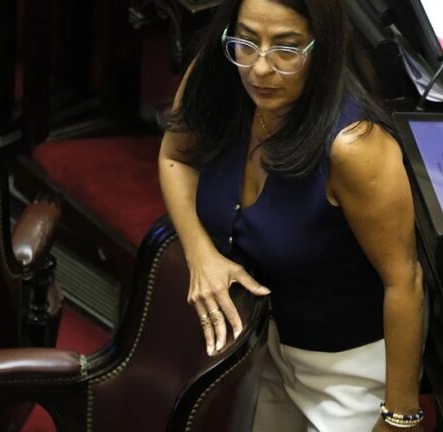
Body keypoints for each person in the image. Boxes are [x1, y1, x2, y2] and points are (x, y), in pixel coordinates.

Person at [158, 0, 425, 430]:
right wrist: (200, 253)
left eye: (286, 49)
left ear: (323, 47)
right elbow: (174, 156)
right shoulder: (220, 72)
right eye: (247, 41)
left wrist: (400, 415)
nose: (260, 68)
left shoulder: (355, 147)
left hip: (347, 371)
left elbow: (404, 280)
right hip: (263, 349)